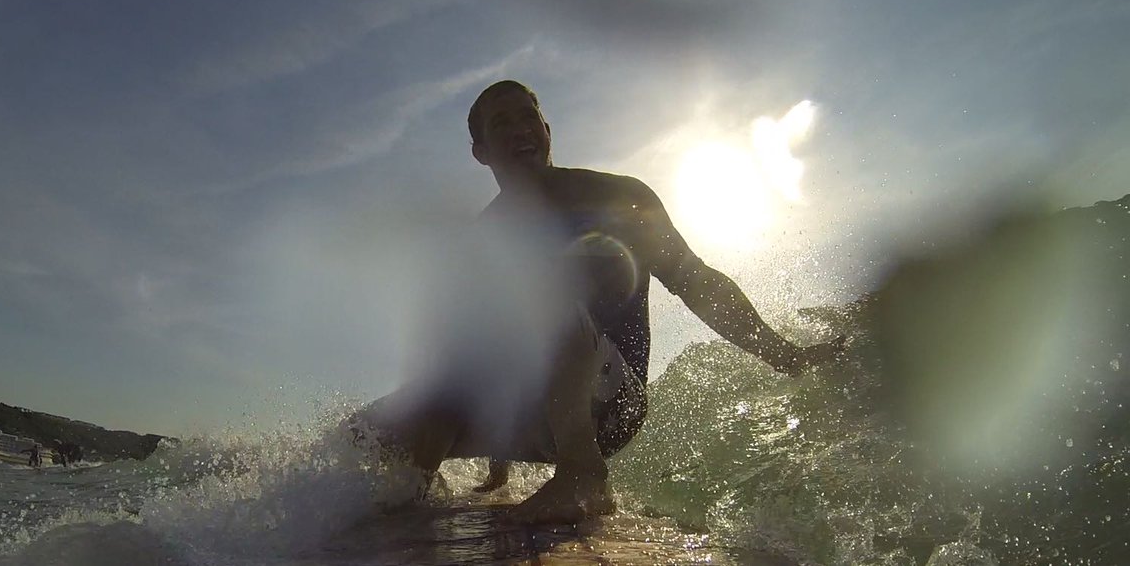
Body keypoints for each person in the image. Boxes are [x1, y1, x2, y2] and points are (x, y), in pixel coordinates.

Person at [348, 80, 846, 524]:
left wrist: (782, 353)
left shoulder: (616, 197)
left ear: (547, 129)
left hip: (612, 402)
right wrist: (491, 457)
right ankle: (407, 501)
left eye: (528, 117)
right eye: (502, 123)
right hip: (533, 415)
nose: (520, 129)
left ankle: (583, 476)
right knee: (367, 430)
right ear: (480, 151)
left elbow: (696, 281)